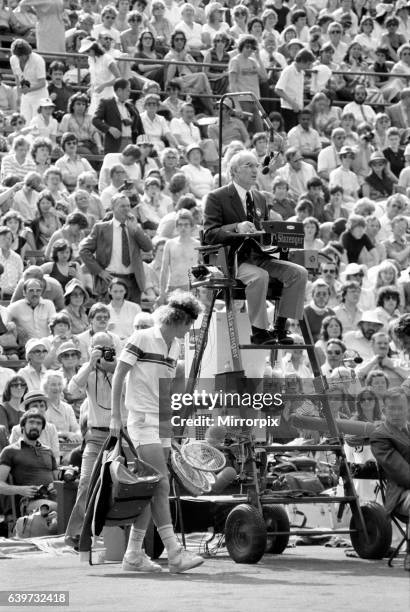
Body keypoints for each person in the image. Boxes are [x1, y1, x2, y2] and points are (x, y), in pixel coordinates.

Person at [110, 291, 204, 573]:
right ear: (178, 319)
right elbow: (119, 375)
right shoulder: (141, 338)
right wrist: (116, 415)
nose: (189, 330)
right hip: (140, 419)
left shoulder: (174, 347)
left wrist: (172, 420)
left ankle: (133, 555)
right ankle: (175, 553)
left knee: (153, 488)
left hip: (161, 419)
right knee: (160, 484)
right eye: (189, 324)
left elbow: (165, 387)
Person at [204, 151, 308, 345]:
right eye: (248, 165)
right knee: (260, 276)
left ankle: (279, 327)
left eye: (256, 165)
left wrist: (280, 233)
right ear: (234, 171)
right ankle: (259, 331)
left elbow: (264, 230)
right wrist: (236, 227)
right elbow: (209, 234)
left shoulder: (260, 198)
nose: (254, 170)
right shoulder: (216, 197)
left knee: (299, 273)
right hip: (233, 259)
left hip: (261, 256)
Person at [65, 330, 121, 549]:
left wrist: (114, 367)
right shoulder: (87, 371)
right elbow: (71, 390)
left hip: (120, 435)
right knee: (87, 481)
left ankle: (120, 534)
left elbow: (131, 390)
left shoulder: (121, 369)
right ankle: (78, 534)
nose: (104, 352)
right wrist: (90, 363)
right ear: (90, 349)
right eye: (99, 348)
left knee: (121, 485)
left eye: (108, 348)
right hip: (96, 435)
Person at [79, 193, 152, 303]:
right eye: (122, 206)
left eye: (128, 206)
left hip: (133, 281)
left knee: (132, 316)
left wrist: (136, 230)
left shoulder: (135, 227)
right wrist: (99, 271)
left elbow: (148, 247)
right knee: (109, 317)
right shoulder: (101, 228)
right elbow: (84, 250)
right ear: (113, 208)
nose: (126, 209)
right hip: (110, 280)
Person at [370, 387, 410, 570]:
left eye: (400, 408)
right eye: (391, 408)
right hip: (401, 493)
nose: (396, 412)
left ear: (407, 408)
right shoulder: (380, 436)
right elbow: (402, 473)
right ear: (384, 410)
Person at [0, 410, 58, 504]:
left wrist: (55, 486)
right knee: (59, 509)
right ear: (23, 426)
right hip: (29, 501)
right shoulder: (10, 451)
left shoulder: (48, 451)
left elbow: (58, 480)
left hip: (53, 498)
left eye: (39, 423)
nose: (35, 426)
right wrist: (20, 490)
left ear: (42, 428)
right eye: (31, 422)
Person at [93, 78, 145, 154]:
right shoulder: (107, 103)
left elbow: (140, 127)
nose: (129, 93)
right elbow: (95, 120)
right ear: (120, 91)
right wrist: (109, 129)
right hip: (114, 144)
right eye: (128, 90)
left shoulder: (131, 106)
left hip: (131, 143)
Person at [275, 48, 315, 130]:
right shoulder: (288, 71)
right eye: (308, 63)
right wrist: (292, 103)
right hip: (288, 109)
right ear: (303, 61)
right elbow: (278, 89)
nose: (309, 66)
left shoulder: (301, 72)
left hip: (298, 109)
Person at [9, 39, 48, 123]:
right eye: (20, 56)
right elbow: (17, 78)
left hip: (39, 95)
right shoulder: (13, 59)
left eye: (25, 55)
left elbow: (42, 83)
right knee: (24, 122)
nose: (23, 57)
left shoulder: (38, 60)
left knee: (37, 123)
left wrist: (28, 89)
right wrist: (19, 95)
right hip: (25, 95)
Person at [7, 279, 56, 345]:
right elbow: (4, 324)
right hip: (27, 347)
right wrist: (16, 328)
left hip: (47, 345)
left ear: (41, 292)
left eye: (38, 290)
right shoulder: (15, 307)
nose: (35, 293)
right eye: (31, 290)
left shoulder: (49, 304)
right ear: (24, 293)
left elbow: (55, 325)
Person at [59, 92, 103, 156]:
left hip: (90, 143)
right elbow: (62, 135)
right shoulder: (67, 117)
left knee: (101, 155)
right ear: (72, 106)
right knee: (89, 155)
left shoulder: (90, 117)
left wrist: (99, 145)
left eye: (83, 104)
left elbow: (94, 132)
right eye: (78, 104)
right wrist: (75, 143)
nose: (81, 106)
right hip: (75, 145)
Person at [107, 277, 141, 342]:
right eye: (115, 291)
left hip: (131, 343)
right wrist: (106, 328)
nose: (118, 295)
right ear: (109, 291)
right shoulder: (105, 310)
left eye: (121, 291)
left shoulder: (135, 307)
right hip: (111, 344)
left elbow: (141, 329)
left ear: (125, 291)